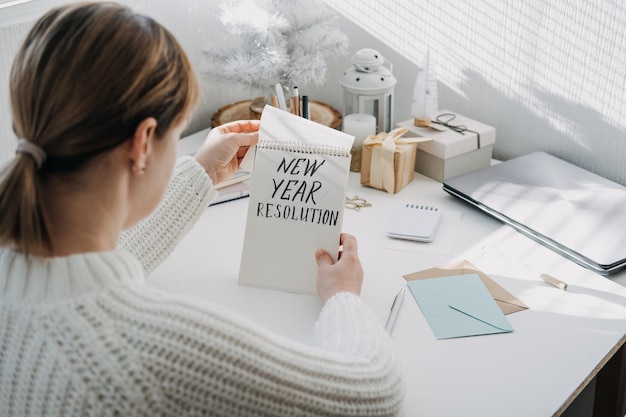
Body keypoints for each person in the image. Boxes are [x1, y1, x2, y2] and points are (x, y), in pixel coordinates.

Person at [0, 2, 403, 416]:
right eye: (177, 136)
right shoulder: (148, 355)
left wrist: (204, 172)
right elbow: (369, 394)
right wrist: (343, 297)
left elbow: (97, 259)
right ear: (143, 143)